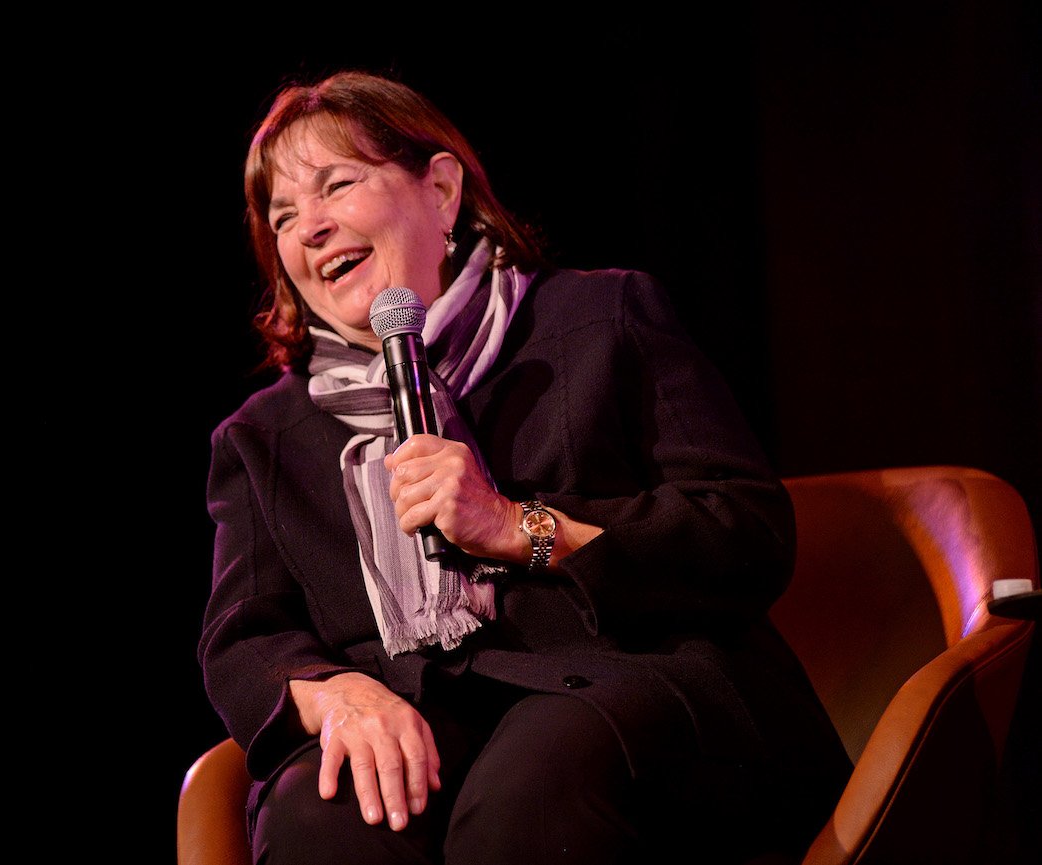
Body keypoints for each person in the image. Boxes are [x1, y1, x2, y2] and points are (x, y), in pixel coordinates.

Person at [199, 69, 853, 865]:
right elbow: (244, 638)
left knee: (529, 790)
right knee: (323, 811)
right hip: (423, 709)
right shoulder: (263, 436)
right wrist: (335, 692)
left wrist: (520, 528)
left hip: (629, 686)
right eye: (283, 219)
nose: (311, 229)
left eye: (336, 186)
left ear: (441, 191)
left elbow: (744, 531)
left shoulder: (599, 318)